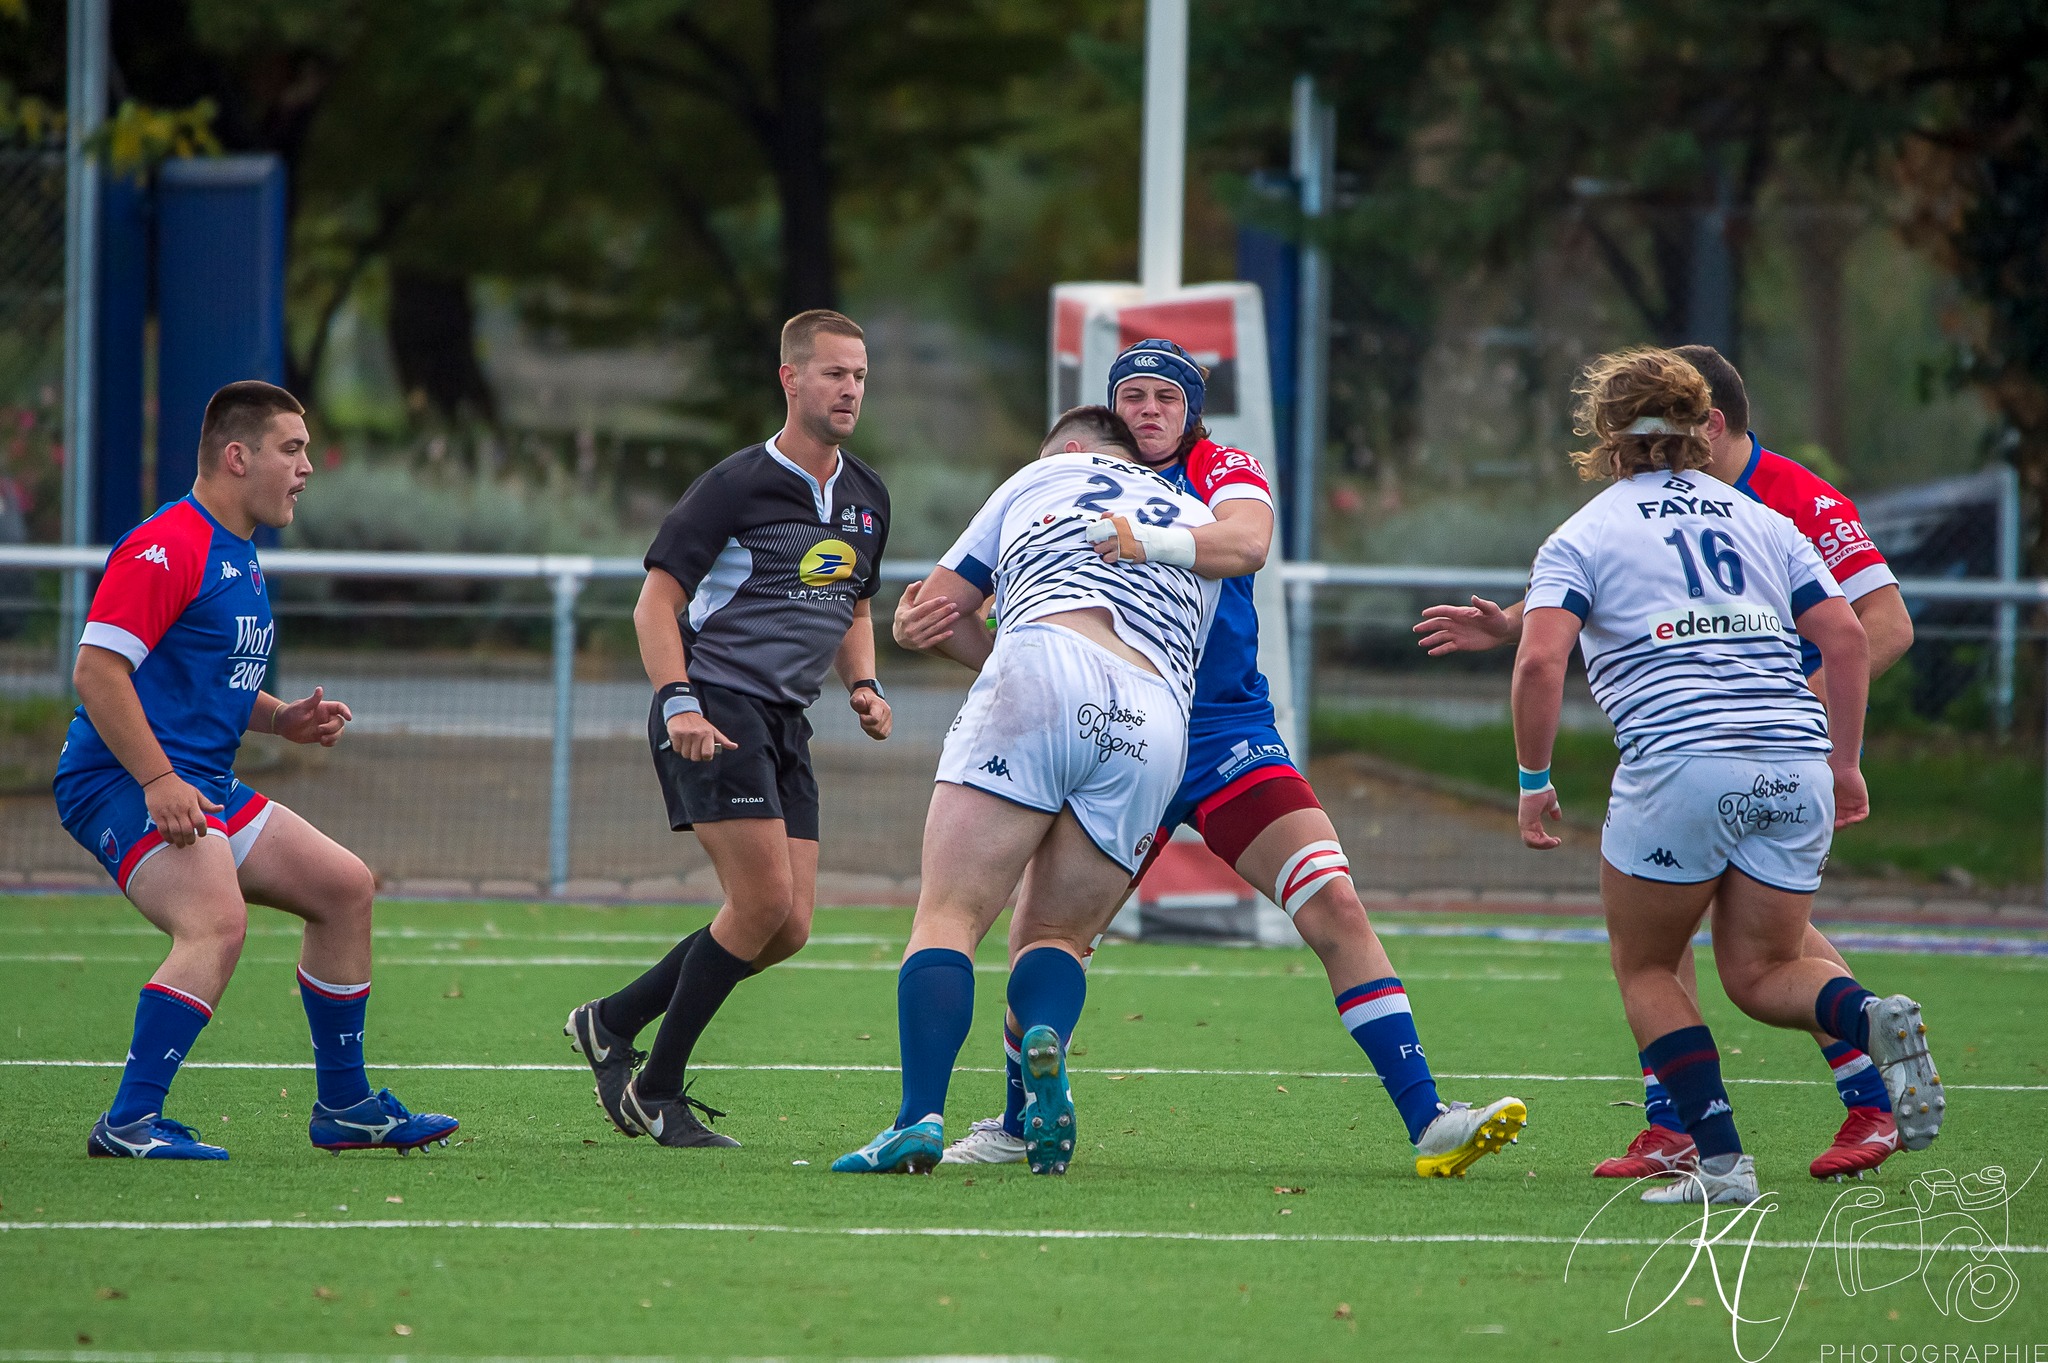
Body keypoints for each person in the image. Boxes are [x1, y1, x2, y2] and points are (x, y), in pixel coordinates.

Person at [901, 340, 1525, 1178]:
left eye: (1166, 396)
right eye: (1133, 396)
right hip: (1121, 723)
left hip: (1225, 730)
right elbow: (974, 614)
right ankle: (1020, 1118)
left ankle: (1429, 1118)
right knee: (1049, 932)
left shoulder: (1218, 466)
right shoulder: (1081, 478)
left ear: (1192, 412)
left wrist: (1143, 540)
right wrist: (939, 633)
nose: (1148, 410)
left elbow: (1246, 543)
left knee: (1333, 900)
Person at [1414, 344, 1916, 1182]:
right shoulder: (1762, 519)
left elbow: (1543, 663)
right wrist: (1845, 760)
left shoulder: (1587, 528)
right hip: (1795, 764)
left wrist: (1534, 782)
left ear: (1608, 441)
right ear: (1699, 428)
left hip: (1682, 764)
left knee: (1647, 960)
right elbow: (1849, 637)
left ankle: (1717, 1157)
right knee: (1763, 971)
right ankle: (1867, 1018)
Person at [55, 380, 458, 1160]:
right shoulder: (166, 544)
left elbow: (204, 677)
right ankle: (130, 1122)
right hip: (119, 777)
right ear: (237, 457)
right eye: (292, 448)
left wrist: (281, 719)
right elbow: (97, 671)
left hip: (197, 775)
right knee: (216, 921)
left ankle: (345, 1106)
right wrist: (158, 782)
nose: (306, 467)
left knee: (343, 888)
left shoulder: (237, 552)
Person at [832, 406, 1218, 1176]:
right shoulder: (1195, 516)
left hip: (1042, 659)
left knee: (950, 915)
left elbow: (940, 610)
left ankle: (918, 1119)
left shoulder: (1043, 475)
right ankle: (1042, 1033)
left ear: (1071, 449)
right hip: (1154, 714)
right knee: (1057, 937)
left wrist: (912, 628)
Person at [564, 310, 892, 1148]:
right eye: (833, 373)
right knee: (761, 901)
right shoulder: (738, 483)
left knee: (789, 926)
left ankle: (613, 1019)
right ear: (790, 378)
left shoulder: (867, 496)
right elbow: (656, 603)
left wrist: (864, 684)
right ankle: (656, 1087)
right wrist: (679, 700)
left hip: (787, 716)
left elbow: (854, 602)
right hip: (715, 700)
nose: (850, 388)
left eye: (859, 374)